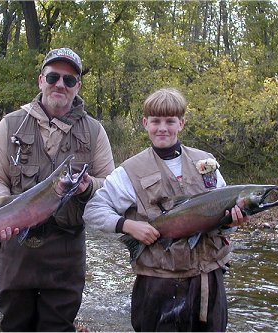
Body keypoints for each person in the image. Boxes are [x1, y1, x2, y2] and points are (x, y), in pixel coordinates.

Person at [83, 87, 248, 332]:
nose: (163, 128)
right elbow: (93, 210)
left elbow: (223, 216)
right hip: (156, 285)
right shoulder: (129, 171)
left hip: (208, 281)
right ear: (145, 123)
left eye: (170, 121)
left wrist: (231, 223)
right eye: (156, 121)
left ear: (181, 123)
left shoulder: (207, 162)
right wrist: (128, 226)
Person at [0, 47, 114, 332]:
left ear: (78, 86)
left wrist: (89, 187)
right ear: (41, 80)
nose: (60, 85)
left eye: (69, 80)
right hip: (15, 248)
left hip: (66, 253)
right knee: (15, 325)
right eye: (53, 77)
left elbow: (110, 185)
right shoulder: (10, 125)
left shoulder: (95, 131)